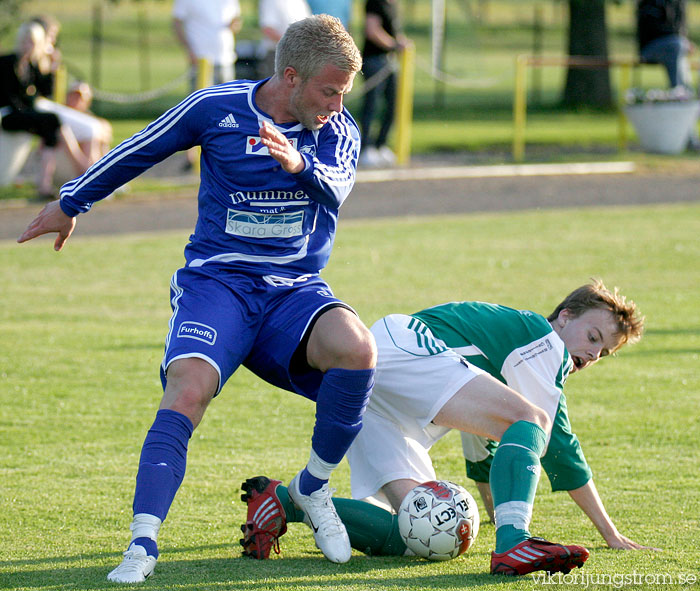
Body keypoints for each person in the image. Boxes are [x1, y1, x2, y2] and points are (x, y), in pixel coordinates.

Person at [18, 15, 373, 584]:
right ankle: (142, 544)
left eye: (342, 92)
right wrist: (71, 202)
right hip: (219, 285)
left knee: (358, 350)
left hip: (293, 291)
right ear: (289, 76)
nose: (337, 103)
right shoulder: (217, 108)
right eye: (329, 90)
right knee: (186, 390)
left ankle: (312, 488)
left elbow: (338, 187)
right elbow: (142, 148)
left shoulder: (336, 127)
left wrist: (296, 162)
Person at [241, 281, 652, 576]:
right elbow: (559, 447)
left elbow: (482, 446)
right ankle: (515, 544)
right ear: (564, 318)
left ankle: (283, 501)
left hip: (379, 390)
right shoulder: (543, 340)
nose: (593, 352)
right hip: (405, 350)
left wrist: (495, 510)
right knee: (533, 420)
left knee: (419, 536)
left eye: (603, 352)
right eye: (593, 336)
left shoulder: (512, 364)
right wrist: (610, 533)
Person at [0, 21, 89, 199]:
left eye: (32, 42)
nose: (28, 46)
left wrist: (52, 69)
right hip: (8, 114)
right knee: (51, 120)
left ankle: (44, 183)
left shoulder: (32, 66)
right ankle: (82, 168)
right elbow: (11, 98)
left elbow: (45, 93)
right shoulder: (8, 62)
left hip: (23, 113)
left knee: (51, 126)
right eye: (25, 41)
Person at [358, 0, 410, 168]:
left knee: (392, 103)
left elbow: (394, 31)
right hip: (375, 59)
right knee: (371, 104)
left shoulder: (392, 5)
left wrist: (402, 43)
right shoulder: (375, 3)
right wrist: (394, 45)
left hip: (389, 61)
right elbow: (372, 30)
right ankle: (366, 147)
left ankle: (381, 144)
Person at [172, 0, 242, 90]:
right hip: (200, 59)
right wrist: (189, 51)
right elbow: (177, 24)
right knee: (201, 101)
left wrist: (235, 25)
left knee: (226, 101)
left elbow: (236, 20)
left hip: (225, 59)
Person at [636, 0, 693, 90]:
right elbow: (651, 30)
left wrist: (683, 40)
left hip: (674, 46)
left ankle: (685, 91)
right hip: (649, 48)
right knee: (676, 45)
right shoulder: (649, 4)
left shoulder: (677, 3)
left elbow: (681, 27)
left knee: (679, 46)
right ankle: (679, 90)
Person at [258, 0, 311, 78]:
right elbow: (268, 29)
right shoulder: (271, 1)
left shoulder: (300, 2)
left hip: (300, 55)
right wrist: (293, 44)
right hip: (278, 55)